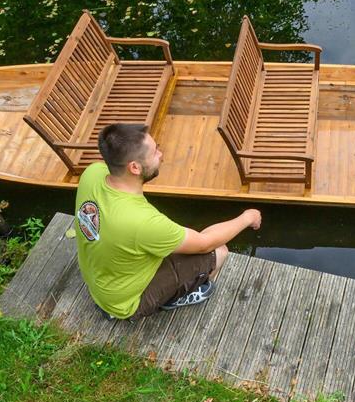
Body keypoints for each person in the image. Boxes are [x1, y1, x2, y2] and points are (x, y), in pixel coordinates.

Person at [74, 123, 262, 320]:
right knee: (219, 251)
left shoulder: (92, 173)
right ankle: (180, 296)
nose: (161, 155)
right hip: (123, 303)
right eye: (155, 152)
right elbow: (204, 243)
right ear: (135, 167)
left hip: (100, 280)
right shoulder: (143, 221)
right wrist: (247, 217)